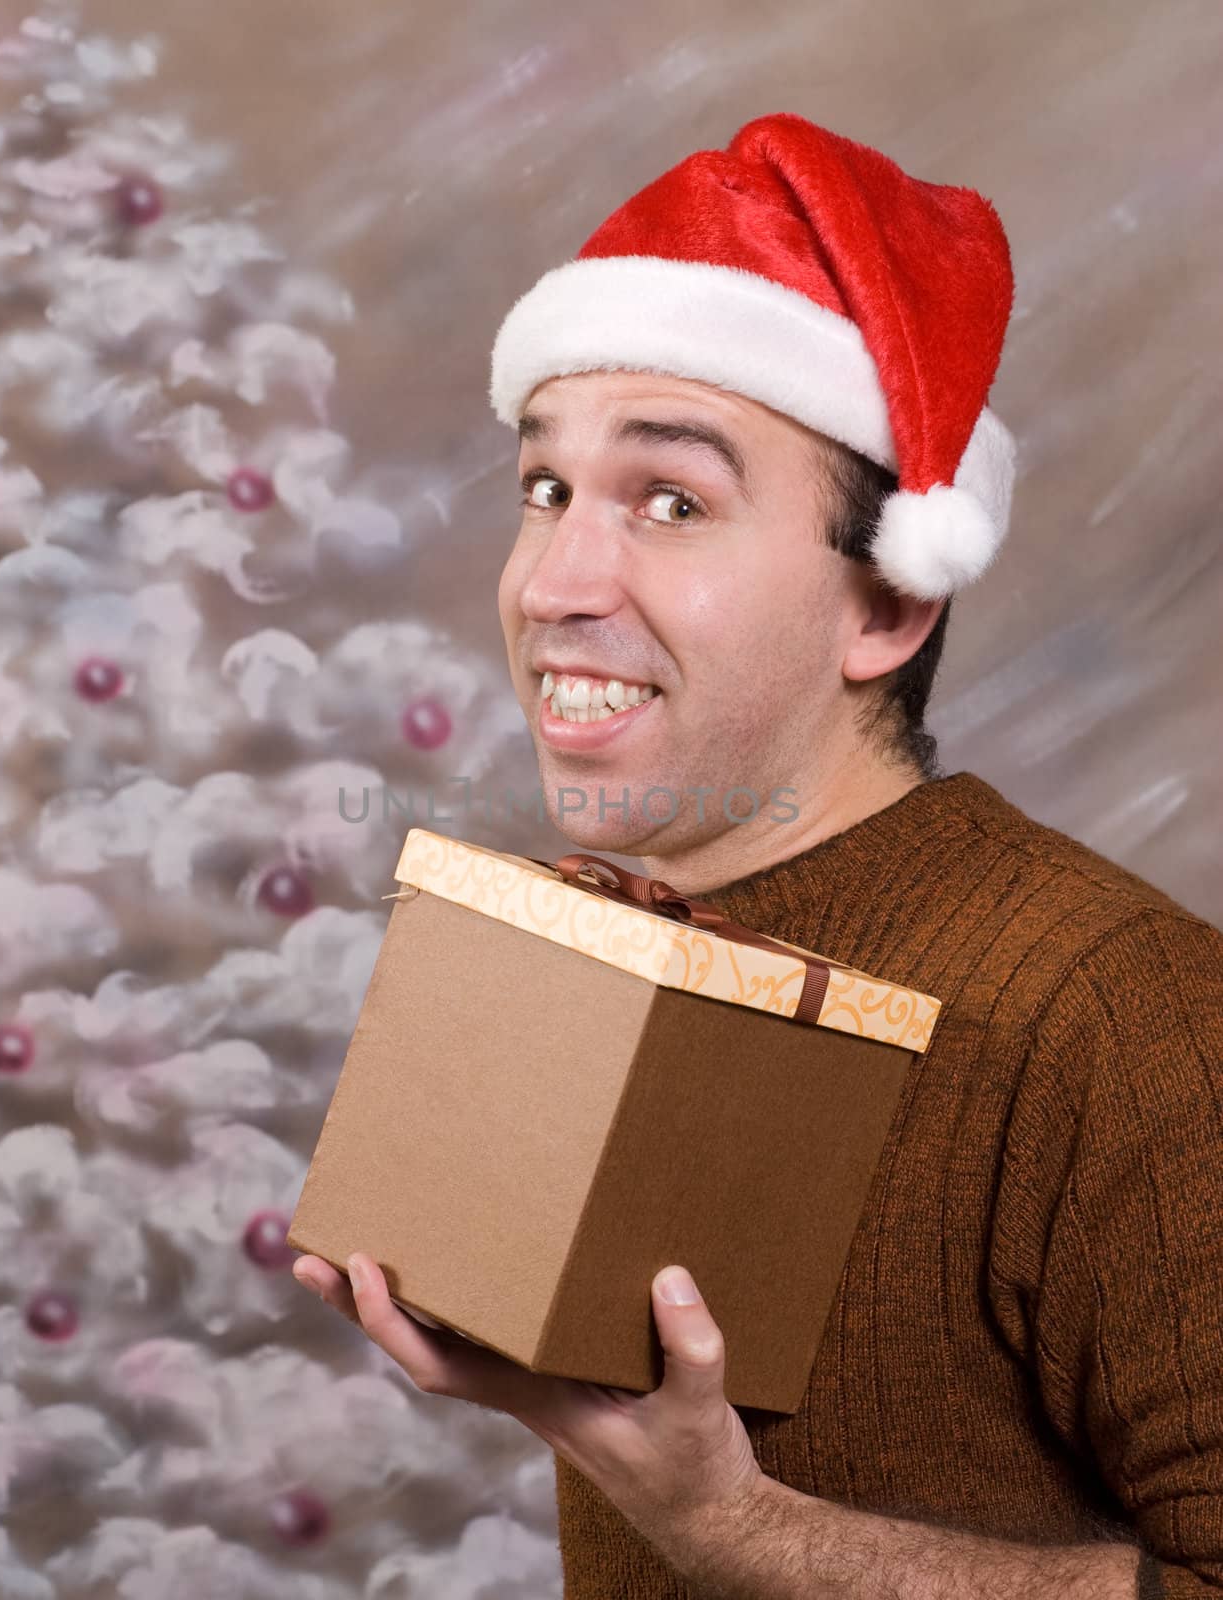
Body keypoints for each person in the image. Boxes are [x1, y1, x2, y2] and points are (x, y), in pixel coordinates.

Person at [292, 111, 1222, 1598]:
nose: (555, 584)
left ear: (888, 609)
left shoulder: (1122, 1017)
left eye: (671, 501)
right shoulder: (609, 951)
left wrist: (733, 1523)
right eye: (546, 489)